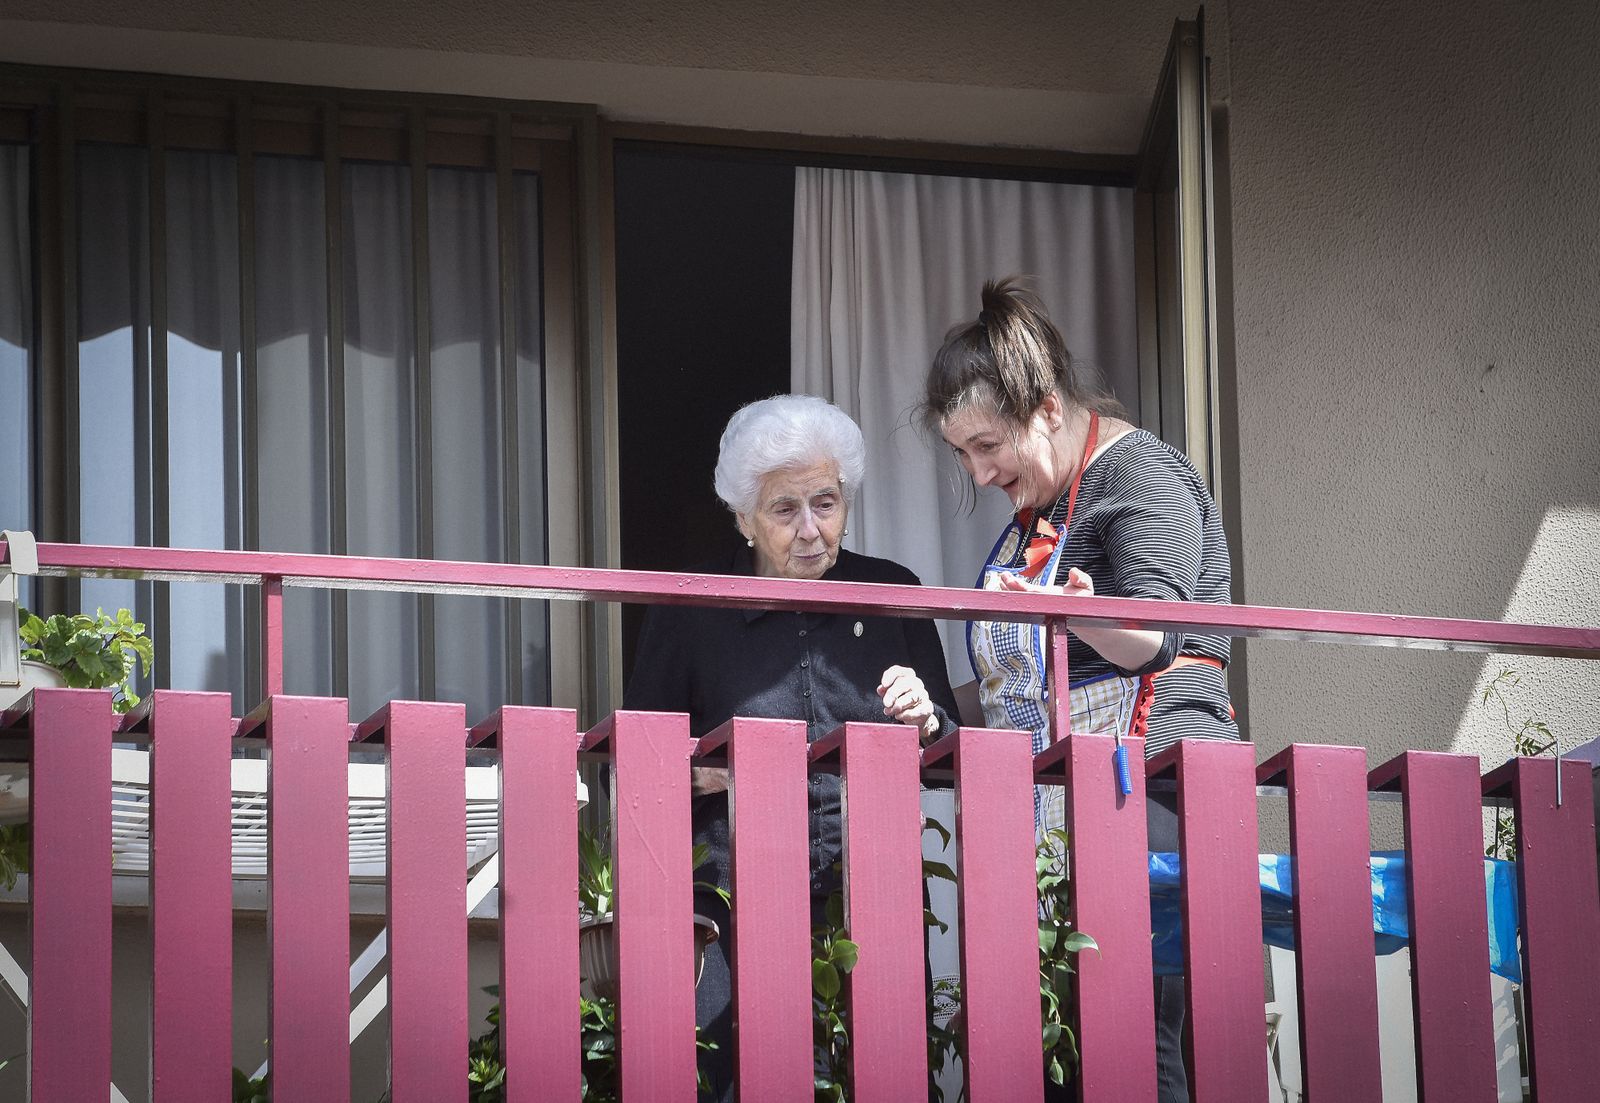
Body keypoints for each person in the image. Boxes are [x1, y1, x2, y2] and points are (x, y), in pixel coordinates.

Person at [921, 277, 1240, 1103]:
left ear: (1050, 411)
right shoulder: (1041, 502)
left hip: (1153, 786)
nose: (979, 471)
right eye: (961, 453)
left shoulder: (1139, 476)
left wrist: (1073, 613)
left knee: (1132, 1036)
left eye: (988, 445)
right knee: (1073, 1042)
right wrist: (932, 709)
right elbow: (1020, 681)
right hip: (1066, 814)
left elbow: (1150, 636)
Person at [624, 393, 960, 1103]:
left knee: (878, 1077)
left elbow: (952, 748)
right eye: (785, 510)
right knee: (728, 1078)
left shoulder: (891, 592)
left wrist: (926, 716)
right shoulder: (690, 606)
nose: (811, 529)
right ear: (743, 518)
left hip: (870, 891)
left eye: (827, 503)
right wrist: (704, 772)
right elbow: (643, 760)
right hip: (724, 902)